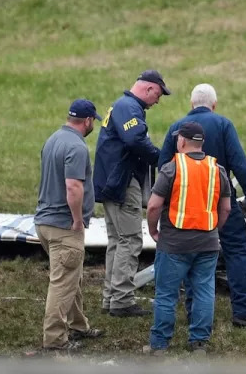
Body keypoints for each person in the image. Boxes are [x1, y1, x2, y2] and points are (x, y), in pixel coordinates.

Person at [158, 83, 246, 327]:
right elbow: (239, 164)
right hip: (219, 203)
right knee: (237, 253)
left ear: (191, 104)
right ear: (214, 105)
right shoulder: (223, 124)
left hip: (185, 207)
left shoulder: (177, 128)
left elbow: (163, 166)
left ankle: (192, 313)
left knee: (188, 257)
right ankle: (243, 312)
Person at [147, 121, 231, 355]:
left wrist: (153, 231)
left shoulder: (172, 168)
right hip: (207, 243)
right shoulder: (217, 170)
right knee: (204, 291)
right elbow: (226, 208)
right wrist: (214, 229)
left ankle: (160, 345)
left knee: (166, 294)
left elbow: (154, 206)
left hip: (174, 243)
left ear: (181, 141)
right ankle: (199, 343)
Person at [93, 69, 170, 317]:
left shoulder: (121, 106)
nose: (157, 101)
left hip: (111, 182)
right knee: (130, 239)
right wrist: (162, 159)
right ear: (148, 89)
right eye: (157, 95)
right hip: (123, 183)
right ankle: (122, 300)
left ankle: (111, 298)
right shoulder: (129, 106)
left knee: (117, 240)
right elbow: (135, 140)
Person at [33, 99, 105, 352]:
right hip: (64, 226)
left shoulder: (53, 139)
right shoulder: (77, 146)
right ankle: (55, 340)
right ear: (87, 121)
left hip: (44, 222)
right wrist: (77, 220)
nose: (93, 125)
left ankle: (78, 325)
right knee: (62, 284)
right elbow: (73, 186)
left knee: (71, 278)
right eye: (93, 121)